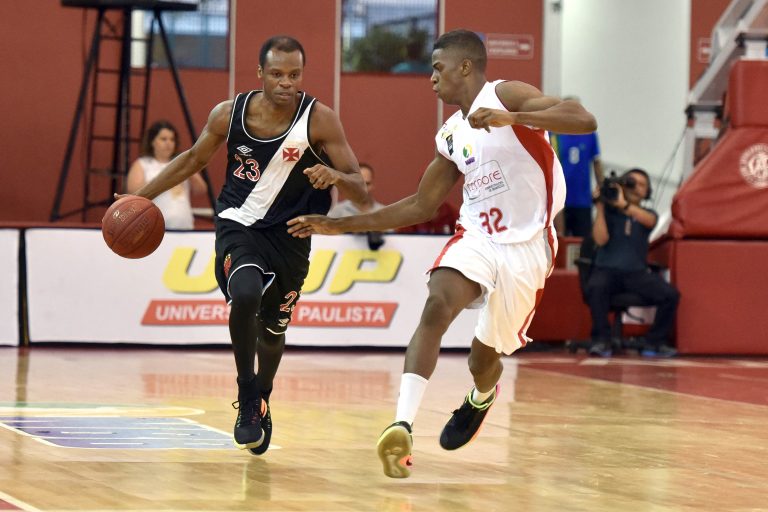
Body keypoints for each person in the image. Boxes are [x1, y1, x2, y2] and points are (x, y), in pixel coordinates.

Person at [287, 29, 597, 478]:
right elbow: (419, 206)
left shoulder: (506, 95)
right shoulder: (451, 134)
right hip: (478, 237)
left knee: (482, 361)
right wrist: (337, 225)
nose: (431, 78)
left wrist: (514, 118)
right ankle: (401, 424)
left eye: (437, 68)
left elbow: (583, 119)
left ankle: (481, 396)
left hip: (528, 246)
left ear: (465, 66)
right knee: (437, 303)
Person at [120, 35, 368, 455]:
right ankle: (247, 393)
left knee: (273, 330)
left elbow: (360, 190)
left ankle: (262, 395)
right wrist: (140, 198)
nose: (286, 83)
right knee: (246, 292)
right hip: (239, 223)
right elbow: (192, 159)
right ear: (260, 73)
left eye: (294, 75)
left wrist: (338, 176)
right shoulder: (229, 113)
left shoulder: (320, 119)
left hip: (291, 235)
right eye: (277, 74)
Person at [585, 168, 679, 358]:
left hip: (636, 273)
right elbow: (600, 240)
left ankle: (654, 341)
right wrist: (601, 207)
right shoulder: (609, 212)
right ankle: (601, 340)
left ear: (647, 191)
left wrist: (624, 205)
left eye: (642, 185)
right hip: (607, 269)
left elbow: (650, 221)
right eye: (632, 182)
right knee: (596, 286)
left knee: (670, 295)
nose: (636, 187)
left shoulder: (647, 213)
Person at [126, 120, 207, 230]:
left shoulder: (181, 163)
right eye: (163, 139)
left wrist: (190, 170)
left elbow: (201, 190)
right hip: (154, 229)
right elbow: (133, 191)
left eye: (172, 139)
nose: (168, 143)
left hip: (185, 228)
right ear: (152, 142)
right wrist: (163, 179)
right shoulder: (143, 164)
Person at [550, 98, 603, 237]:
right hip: (559, 199)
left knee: (582, 240)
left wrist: (601, 186)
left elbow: (596, 162)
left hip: (582, 200)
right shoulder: (553, 134)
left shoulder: (589, 133)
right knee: (559, 238)